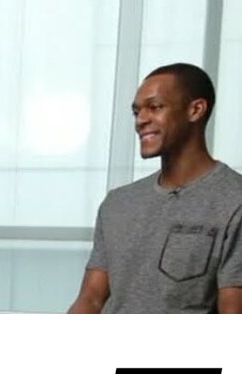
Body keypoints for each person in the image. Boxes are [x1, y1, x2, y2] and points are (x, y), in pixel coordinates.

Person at [69, 63, 242, 314]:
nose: (141, 120)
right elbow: (91, 299)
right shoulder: (118, 203)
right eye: (136, 111)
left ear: (195, 110)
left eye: (155, 107)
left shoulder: (234, 201)